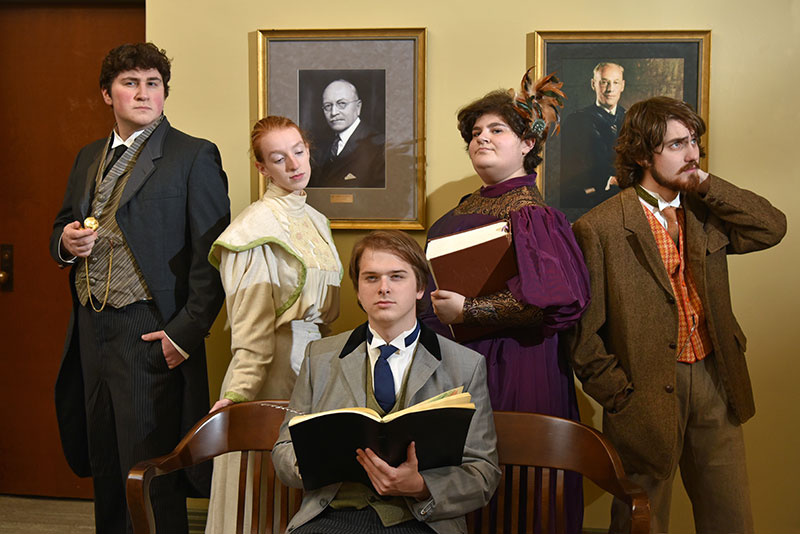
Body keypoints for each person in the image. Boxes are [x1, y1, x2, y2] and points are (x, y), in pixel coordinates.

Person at [565, 96, 786, 533]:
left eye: (694, 141)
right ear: (644, 154)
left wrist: (704, 183)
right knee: (641, 521)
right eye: (677, 144)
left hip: (714, 379)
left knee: (731, 518)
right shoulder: (601, 227)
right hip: (642, 392)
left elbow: (772, 226)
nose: (692, 154)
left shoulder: (706, 211)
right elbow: (583, 335)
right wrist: (620, 396)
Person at [49, 42, 230, 533]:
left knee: (149, 472)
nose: (144, 93)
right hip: (91, 328)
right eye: (131, 83)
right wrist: (65, 241)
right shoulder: (90, 156)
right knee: (105, 461)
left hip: (150, 332)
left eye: (154, 83)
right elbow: (63, 224)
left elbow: (212, 257)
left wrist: (183, 335)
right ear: (107, 93)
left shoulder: (194, 155)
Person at [421, 69, 590, 534]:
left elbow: (553, 301)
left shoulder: (535, 215)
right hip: (454, 363)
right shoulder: (458, 210)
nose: (482, 138)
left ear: (527, 144)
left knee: (516, 485)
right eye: (475, 133)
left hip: (519, 364)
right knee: (457, 481)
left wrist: (470, 311)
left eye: (497, 130)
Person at [273, 230, 500, 534]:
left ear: (420, 287)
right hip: (331, 518)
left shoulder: (465, 365)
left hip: (420, 521)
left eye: (397, 277)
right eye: (371, 278)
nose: (383, 288)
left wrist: (420, 486)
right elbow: (284, 448)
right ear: (357, 290)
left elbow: (482, 472)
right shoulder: (320, 356)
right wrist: (314, 464)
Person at [205, 116, 343, 533]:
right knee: (263, 485)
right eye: (279, 158)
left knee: (304, 485)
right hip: (273, 368)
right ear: (263, 168)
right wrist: (238, 395)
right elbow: (251, 326)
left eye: (298, 151)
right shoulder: (253, 229)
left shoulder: (316, 220)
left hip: (315, 363)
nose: (294, 164)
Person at [560, 62, 627, 210]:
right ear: (593, 84)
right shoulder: (576, 121)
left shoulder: (631, 119)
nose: (610, 89)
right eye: (604, 82)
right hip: (592, 198)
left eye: (615, 83)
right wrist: (607, 180)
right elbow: (572, 167)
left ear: (622, 86)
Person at [310, 79, 386, 188]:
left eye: (342, 104)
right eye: (328, 106)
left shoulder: (380, 146)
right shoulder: (320, 146)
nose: (334, 112)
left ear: (358, 107)